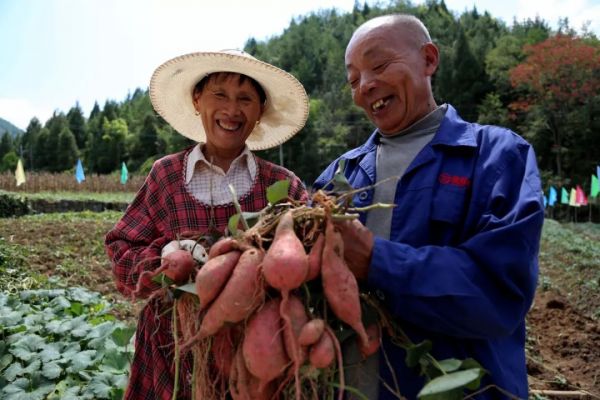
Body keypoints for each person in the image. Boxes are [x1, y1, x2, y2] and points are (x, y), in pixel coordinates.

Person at [313, 14, 544, 399]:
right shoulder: (338, 176)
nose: (365, 85)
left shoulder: (499, 157)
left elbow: (499, 292)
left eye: (380, 65)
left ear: (429, 60)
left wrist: (375, 259)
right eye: (353, 79)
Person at [105, 49, 309, 399]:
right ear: (197, 100)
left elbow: (307, 269)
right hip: (168, 347)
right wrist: (166, 261)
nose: (232, 109)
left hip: (252, 358)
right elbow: (122, 252)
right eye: (219, 95)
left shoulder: (283, 187)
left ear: (259, 112)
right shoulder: (166, 175)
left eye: (245, 99)